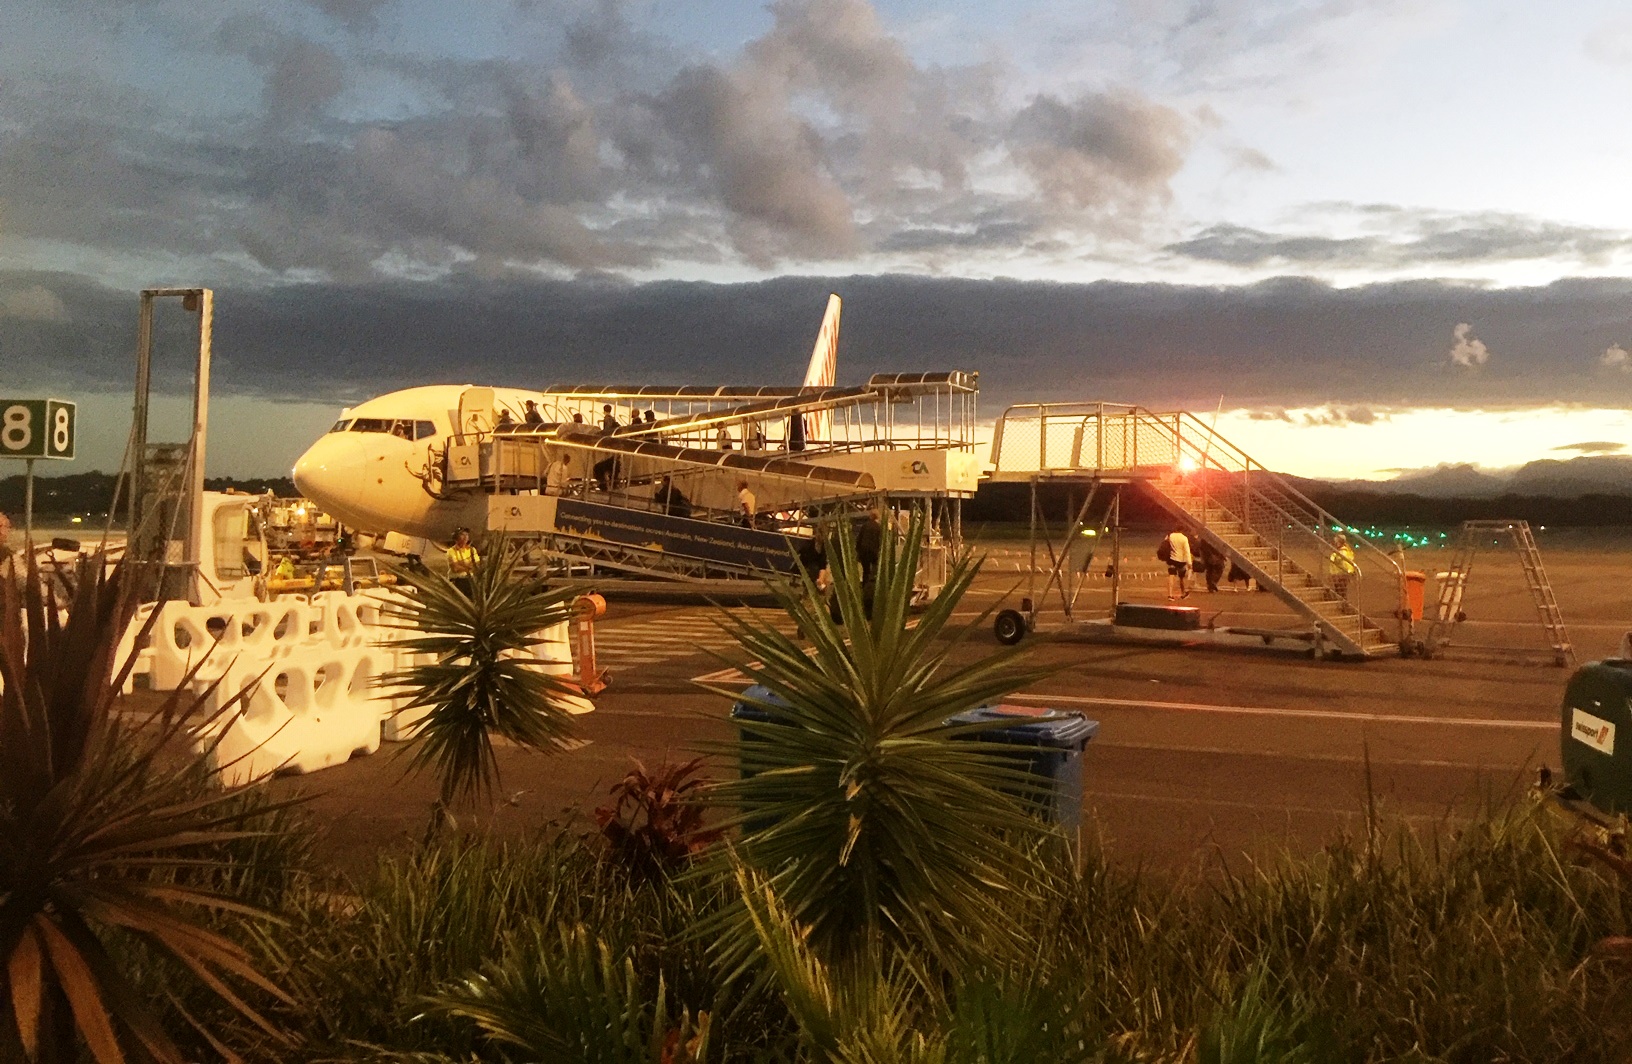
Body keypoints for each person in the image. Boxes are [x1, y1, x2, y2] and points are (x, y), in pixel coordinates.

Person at [1160, 526, 1192, 601]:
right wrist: (1189, 562)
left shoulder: (1170, 536)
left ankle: (1170, 595)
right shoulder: (1184, 538)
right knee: (1181, 577)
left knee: (1171, 576)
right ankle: (1183, 593)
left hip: (1172, 559)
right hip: (1181, 560)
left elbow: (1164, 544)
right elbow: (1187, 551)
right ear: (1182, 530)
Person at [446, 528, 480, 597]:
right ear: (456, 537)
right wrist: (469, 566)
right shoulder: (451, 551)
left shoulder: (472, 550)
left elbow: (476, 565)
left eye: (466, 535)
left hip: (470, 581)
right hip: (457, 581)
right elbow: (455, 568)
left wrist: (461, 563)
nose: (465, 537)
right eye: (462, 535)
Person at [1327, 533, 1358, 597]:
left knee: (1340, 591)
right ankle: (1343, 603)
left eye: (1336, 542)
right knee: (1341, 591)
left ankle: (1343, 604)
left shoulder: (1342, 552)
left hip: (1340, 574)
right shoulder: (1345, 551)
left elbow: (1338, 560)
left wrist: (1333, 556)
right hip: (1341, 574)